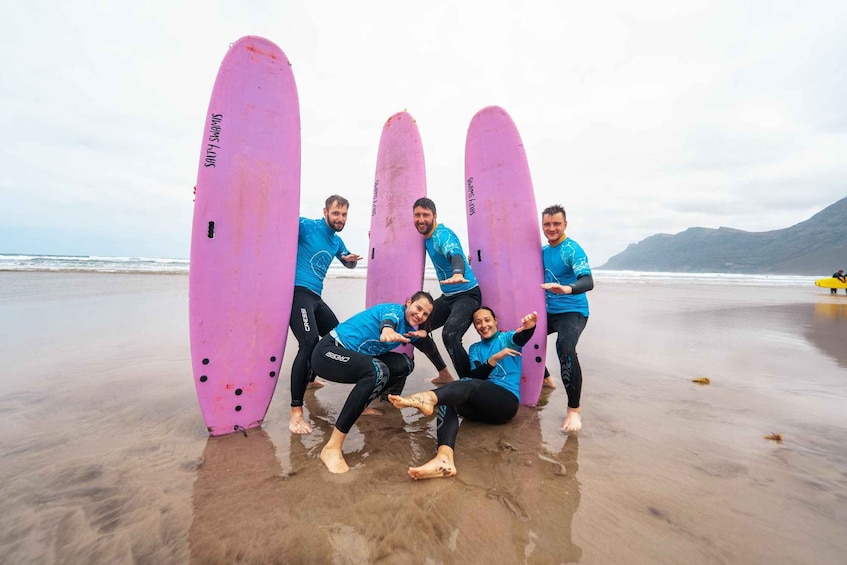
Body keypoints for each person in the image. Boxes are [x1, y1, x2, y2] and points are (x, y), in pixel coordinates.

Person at [389, 308, 538, 480]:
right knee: (449, 398)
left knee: (465, 384)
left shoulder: (507, 339)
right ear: (474, 326)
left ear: (495, 320)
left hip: (505, 404)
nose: (483, 325)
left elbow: (522, 337)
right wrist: (493, 360)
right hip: (481, 408)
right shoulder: (475, 349)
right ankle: (444, 459)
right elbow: (476, 377)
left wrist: (530, 327)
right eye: (478, 322)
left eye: (487, 320)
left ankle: (427, 397)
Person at [310, 292, 435, 473]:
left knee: (405, 364)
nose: (420, 315)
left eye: (425, 314)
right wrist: (387, 330)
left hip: (354, 358)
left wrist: (443, 371)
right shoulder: (394, 311)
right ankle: (331, 448)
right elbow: (388, 322)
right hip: (328, 352)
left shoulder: (410, 328)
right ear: (408, 303)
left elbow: (427, 345)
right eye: (418, 308)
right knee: (377, 370)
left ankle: (362, 406)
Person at [289, 195, 362, 435]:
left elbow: (347, 262)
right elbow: (272, 222)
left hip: (315, 297)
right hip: (298, 292)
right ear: (325, 212)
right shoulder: (306, 226)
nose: (340, 218)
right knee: (309, 342)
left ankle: (309, 379)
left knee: (335, 336)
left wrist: (350, 261)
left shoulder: (336, 242)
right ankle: (296, 412)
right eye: (336, 213)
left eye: (344, 215)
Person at [411, 197, 482, 384]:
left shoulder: (443, 235)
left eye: (425, 215)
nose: (421, 219)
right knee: (416, 328)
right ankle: (444, 373)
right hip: (448, 297)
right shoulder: (422, 237)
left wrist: (458, 271)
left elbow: (455, 254)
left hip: (468, 294)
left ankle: (469, 384)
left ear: (434, 216)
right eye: (417, 215)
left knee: (450, 335)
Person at [539, 204, 594, 434]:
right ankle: (545, 380)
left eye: (556, 224)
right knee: (519, 336)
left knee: (565, 346)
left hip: (573, 311)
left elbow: (587, 281)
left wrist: (567, 289)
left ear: (565, 225)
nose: (551, 228)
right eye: (547, 224)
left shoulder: (572, 250)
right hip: (549, 311)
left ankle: (574, 410)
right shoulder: (542, 251)